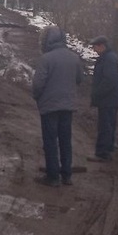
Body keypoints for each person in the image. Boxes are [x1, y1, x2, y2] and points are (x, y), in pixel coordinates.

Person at [32, 26, 83, 187]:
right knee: (65, 140)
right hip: (67, 106)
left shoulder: (46, 59)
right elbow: (79, 79)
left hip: (49, 106)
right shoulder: (74, 58)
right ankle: (66, 175)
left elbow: (38, 84)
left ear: (47, 41)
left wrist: (37, 97)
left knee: (50, 141)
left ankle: (53, 176)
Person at [87, 35, 118, 162]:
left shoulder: (108, 59)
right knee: (109, 125)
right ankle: (108, 147)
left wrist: (97, 93)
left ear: (102, 46)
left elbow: (109, 80)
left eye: (95, 47)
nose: (94, 49)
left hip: (108, 99)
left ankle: (103, 153)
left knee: (105, 126)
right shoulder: (109, 57)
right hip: (111, 99)